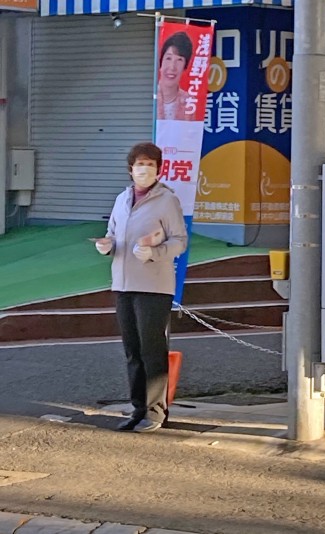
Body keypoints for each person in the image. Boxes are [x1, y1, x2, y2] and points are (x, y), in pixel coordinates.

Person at [95, 142, 187, 433]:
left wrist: (155, 252)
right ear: (130, 169)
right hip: (123, 284)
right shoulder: (122, 198)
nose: (143, 169)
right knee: (132, 350)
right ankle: (138, 409)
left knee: (152, 349)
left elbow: (179, 241)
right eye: (139, 165)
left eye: (149, 164)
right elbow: (112, 232)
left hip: (154, 286)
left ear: (159, 169)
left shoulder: (166, 200)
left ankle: (156, 412)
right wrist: (106, 245)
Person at [157, 31, 194, 121]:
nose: (172, 67)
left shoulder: (189, 101)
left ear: (185, 67)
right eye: (168, 58)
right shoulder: (152, 95)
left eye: (179, 60)